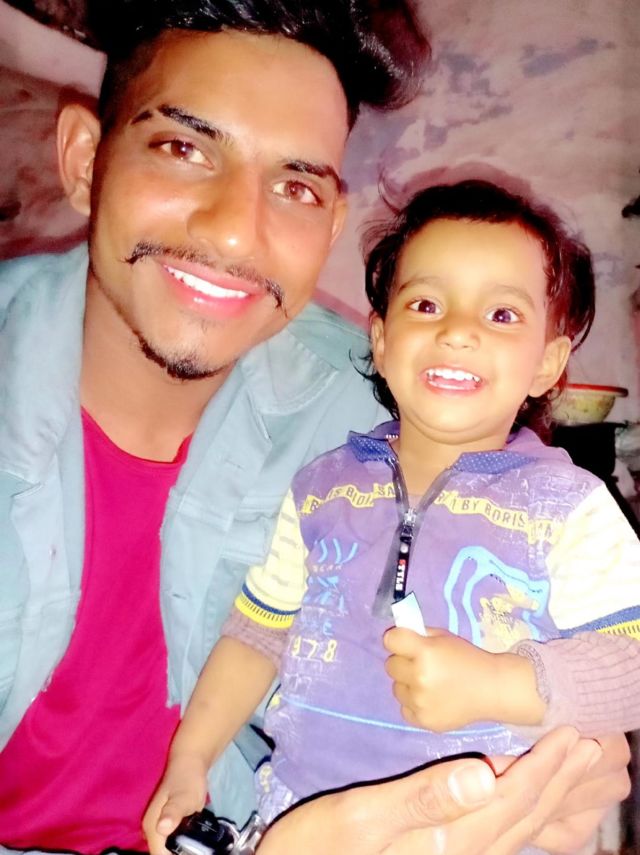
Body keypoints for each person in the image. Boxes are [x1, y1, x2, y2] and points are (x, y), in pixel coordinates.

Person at [0, 0, 629, 849]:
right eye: (184, 148)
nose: (235, 231)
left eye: (295, 186)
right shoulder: (342, 470)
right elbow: (260, 627)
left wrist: (559, 768)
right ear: (85, 158)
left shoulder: (382, 412)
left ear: (329, 220)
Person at [143, 180, 640, 854]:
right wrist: (190, 755)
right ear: (380, 339)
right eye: (426, 304)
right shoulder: (319, 489)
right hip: (298, 823)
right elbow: (257, 631)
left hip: (486, 834)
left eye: (501, 315)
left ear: (547, 364)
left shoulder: (568, 507)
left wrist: (501, 683)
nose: (457, 331)